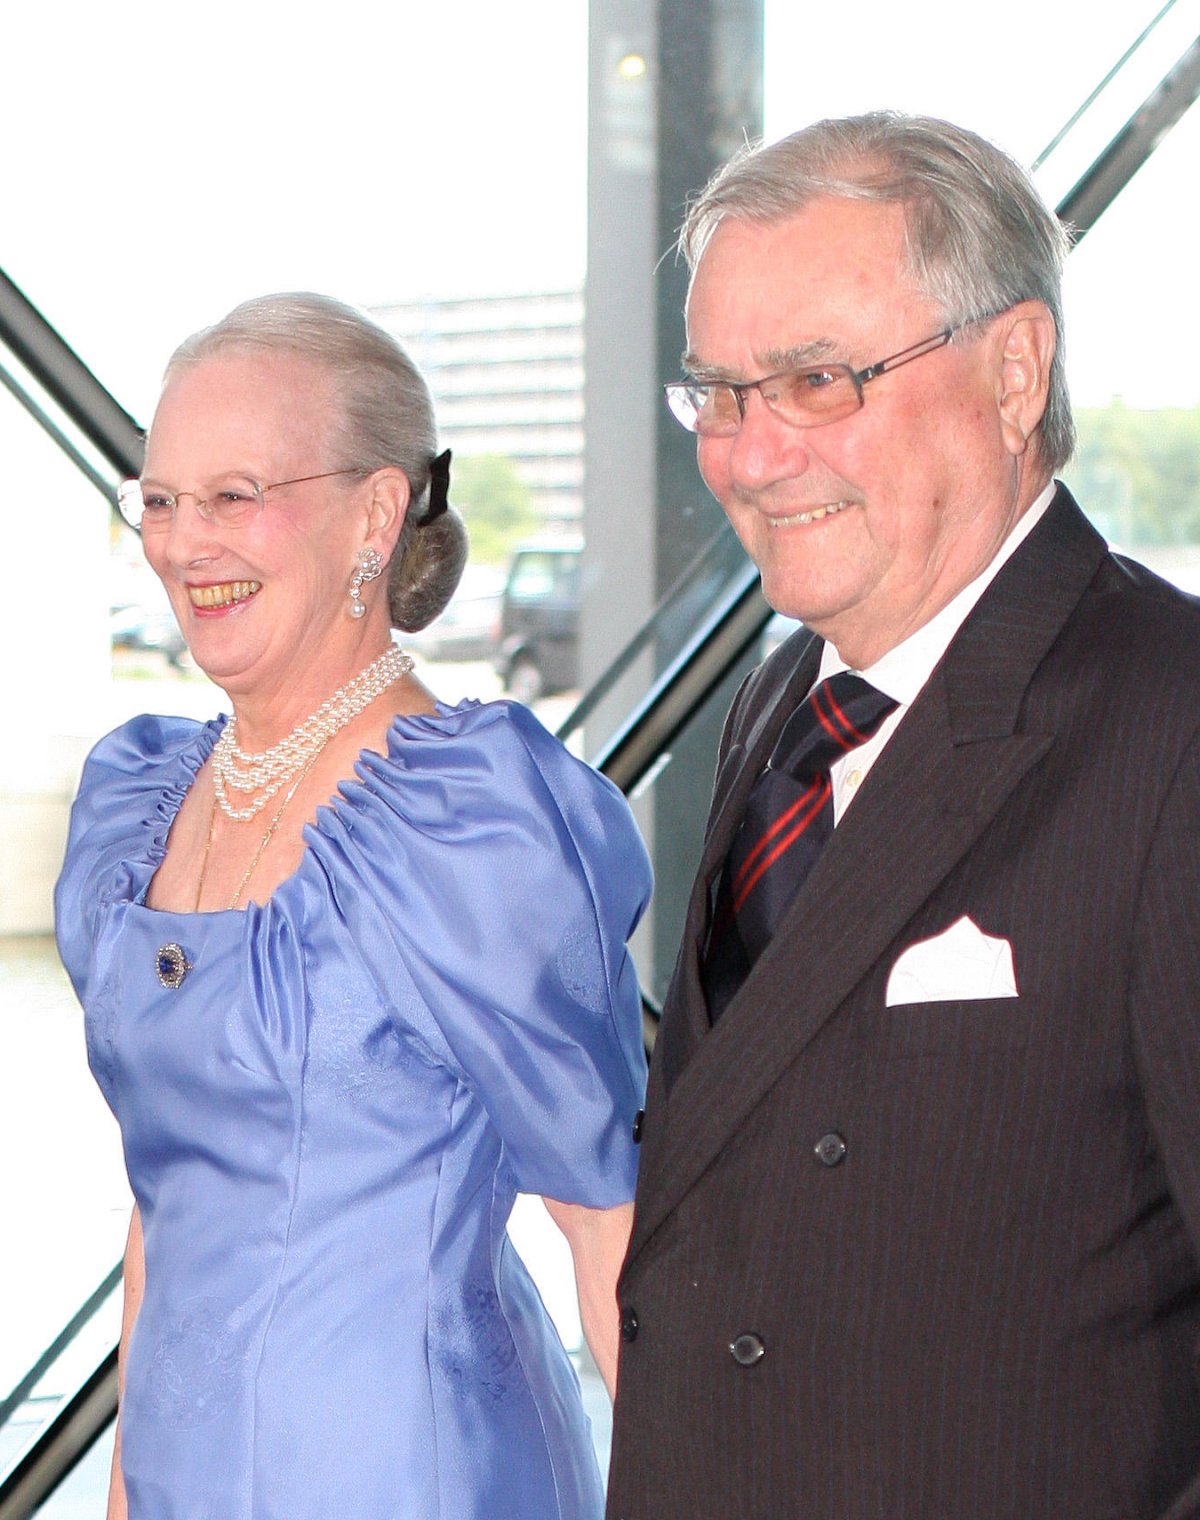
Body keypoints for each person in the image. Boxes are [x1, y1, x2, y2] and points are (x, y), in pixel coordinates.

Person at [606, 111, 1200, 1520]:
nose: (749, 458)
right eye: (720, 393)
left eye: (815, 379)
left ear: (1012, 370)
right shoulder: (779, 704)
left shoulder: (1172, 726)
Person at [55, 292, 650, 1520]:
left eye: (235, 495)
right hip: (185, 1475)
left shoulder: (472, 820)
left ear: (376, 514)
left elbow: (612, 1239)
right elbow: (165, 1207)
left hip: (417, 1476)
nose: (182, 543)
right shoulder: (142, 797)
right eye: (161, 500)